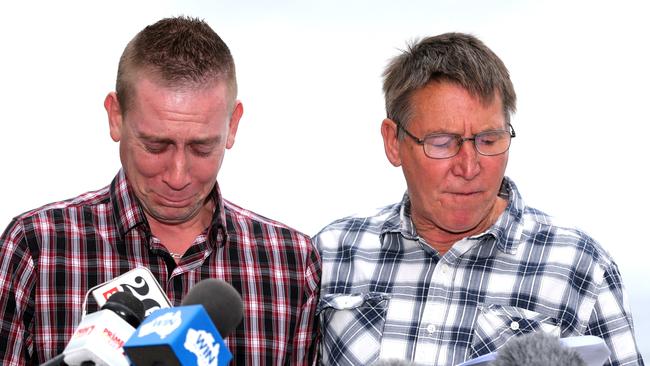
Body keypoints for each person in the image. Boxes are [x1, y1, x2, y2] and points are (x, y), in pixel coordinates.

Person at [0, 16, 320, 365]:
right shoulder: (36, 246)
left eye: (201, 148)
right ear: (116, 116)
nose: (178, 175)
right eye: (155, 146)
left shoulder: (291, 262)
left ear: (233, 125)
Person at [313, 33, 644, 365]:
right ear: (393, 142)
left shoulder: (580, 267)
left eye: (488, 140)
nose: (469, 167)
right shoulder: (330, 253)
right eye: (442, 142)